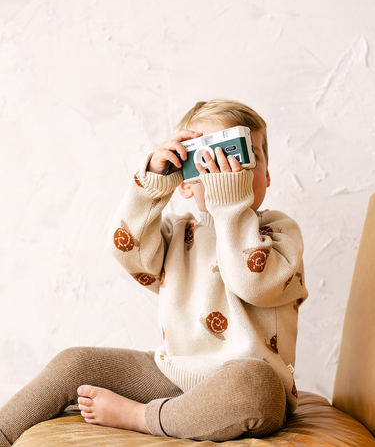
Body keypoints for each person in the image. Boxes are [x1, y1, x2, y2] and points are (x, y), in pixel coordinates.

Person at [0, 99, 308, 446]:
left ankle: (140, 417)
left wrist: (230, 205)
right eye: (209, 160)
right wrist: (152, 184)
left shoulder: (279, 233)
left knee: (258, 387)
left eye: (243, 155)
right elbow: (125, 247)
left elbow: (253, 283)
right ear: (185, 182)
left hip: (243, 382)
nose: (228, 170)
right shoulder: (178, 232)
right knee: (74, 361)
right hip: (174, 373)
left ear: (265, 175)